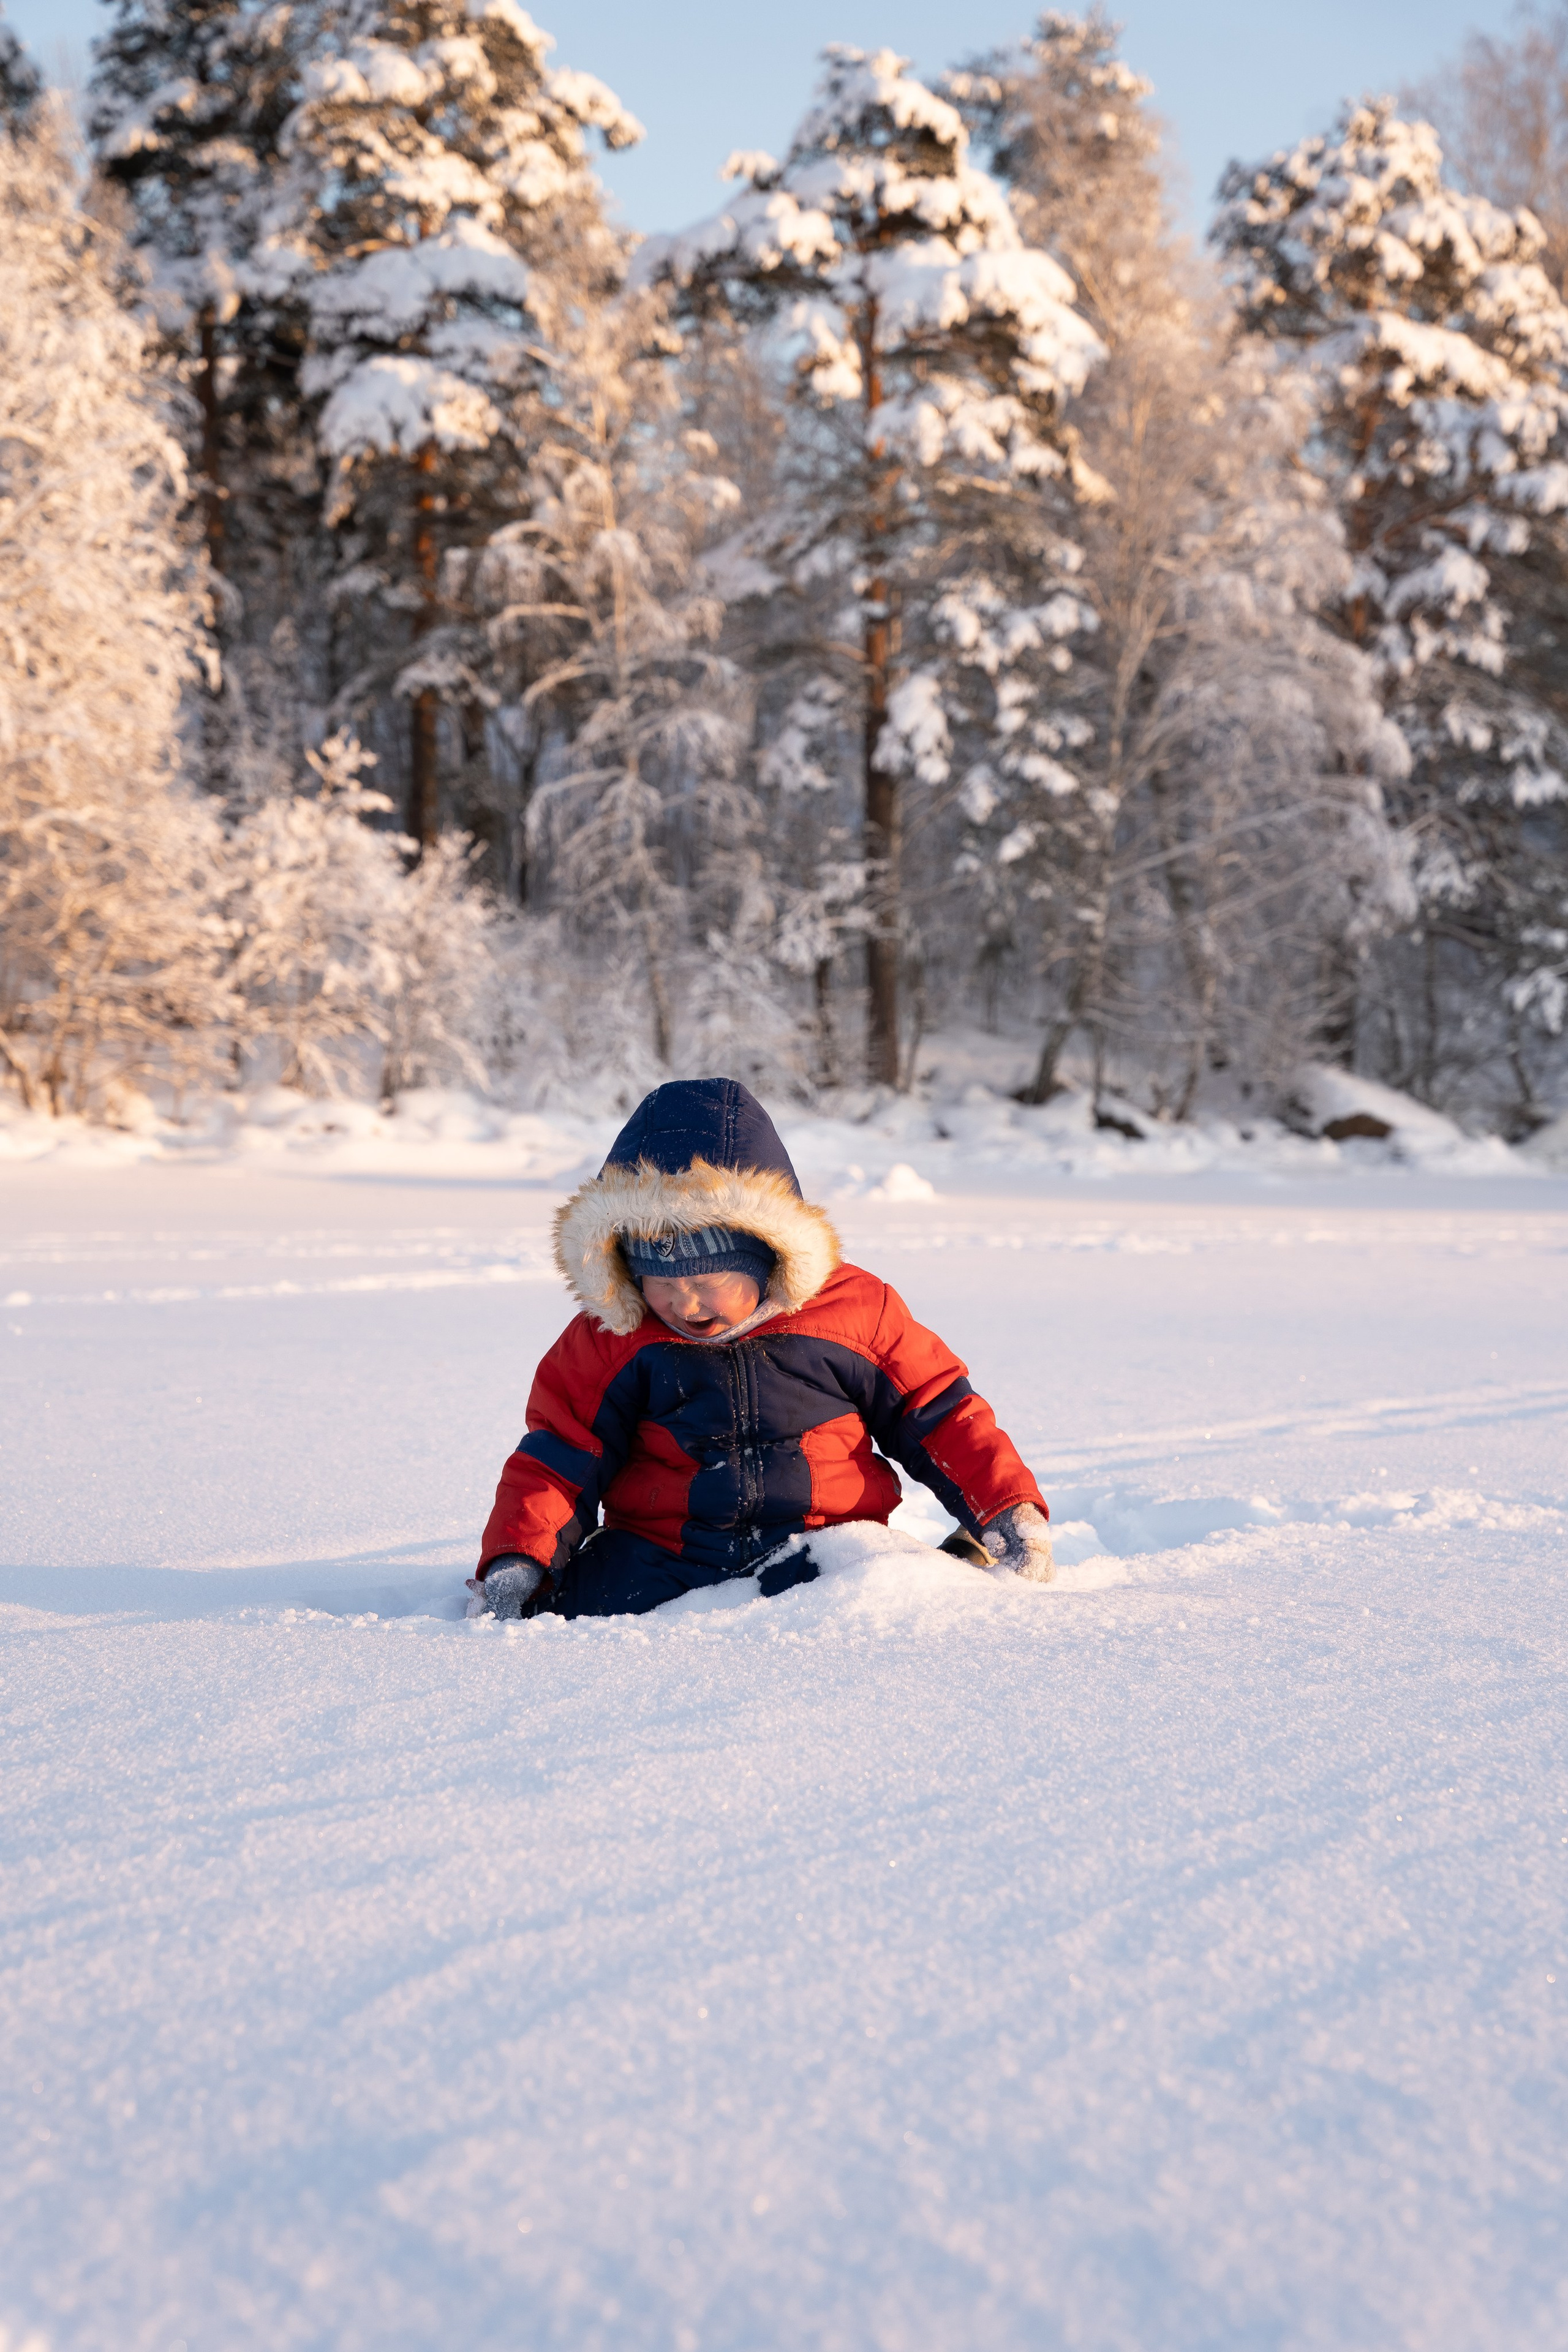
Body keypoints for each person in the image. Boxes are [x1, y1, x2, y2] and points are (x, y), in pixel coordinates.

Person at [470, 1076, 1053, 1619]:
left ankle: (966, 1557)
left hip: (825, 1546)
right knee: (572, 1608)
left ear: (767, 1252)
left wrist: (1004, 1506)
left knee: (899, 1588)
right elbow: (560, 1453)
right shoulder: (612, 1339)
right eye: (663, 1285)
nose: (687, 1305)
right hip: (662, 1555)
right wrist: (518, 1558)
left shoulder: (852, 1312)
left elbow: (939, 1414)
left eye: (708, 1282)